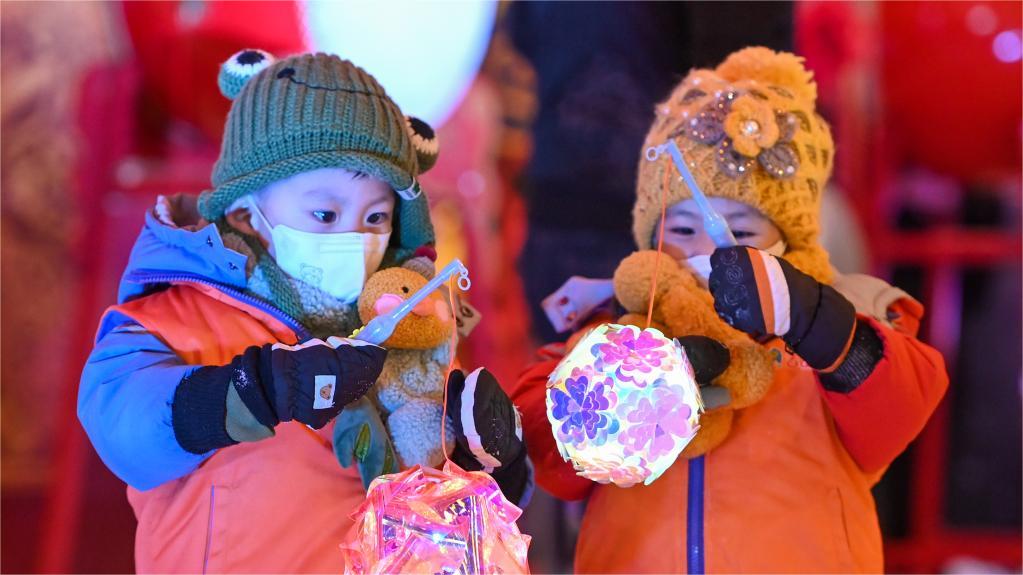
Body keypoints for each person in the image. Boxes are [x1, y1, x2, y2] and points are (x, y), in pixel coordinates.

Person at [78, 49, 527, 573]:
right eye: (325, 212)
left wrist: (494, 464)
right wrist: (256, 389)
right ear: (246, 209)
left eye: (376, 216)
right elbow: (123, 433)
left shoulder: (409, 336)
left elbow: (439, 511)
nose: (354, 236)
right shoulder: (175, 318)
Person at [513, 47, 949, 573]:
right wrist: (627, 394)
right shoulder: (612, 327)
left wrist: (813, 320)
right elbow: (548, 455)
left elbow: (899, 413)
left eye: (739, 232)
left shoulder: (858, 315)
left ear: (788, 237)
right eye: (681, 228)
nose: (706, 250)